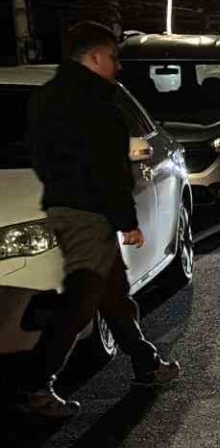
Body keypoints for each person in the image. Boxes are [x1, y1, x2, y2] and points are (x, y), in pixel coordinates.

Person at [16, 21, 179, 418]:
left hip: (63, 207)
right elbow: (108, 170)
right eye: (112, 57)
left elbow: (37, 154)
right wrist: (127, 221)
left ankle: (147, 364)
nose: (117, 66)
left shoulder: (44, 99)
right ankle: (35, 386)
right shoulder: (98, 105)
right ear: (93, 57)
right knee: (81, 302)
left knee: (113, 297)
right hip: (91, 215)